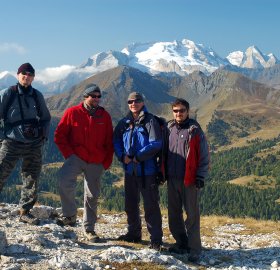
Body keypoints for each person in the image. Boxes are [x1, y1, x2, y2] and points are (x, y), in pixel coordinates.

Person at [54, 83, 113, 243]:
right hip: (76, 157)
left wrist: (105, 162)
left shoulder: (104, 116)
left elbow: (109, 140)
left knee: (92, 195)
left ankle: (90, 229)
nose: (96, 99)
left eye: (99, 96)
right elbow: (59, 135)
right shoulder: (72, 112)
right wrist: (69, 155)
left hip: (96, 161)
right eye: (93, 96)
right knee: (64, 182)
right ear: (85, 96)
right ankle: (69, 215)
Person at [0, 63, 51, 225]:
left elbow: (45, 118)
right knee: (1, 172)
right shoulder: (8, 93)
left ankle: (25, 211)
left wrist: (43, 135)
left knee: (32, 177)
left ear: (33, 77)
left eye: (29, 74)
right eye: (23, 73)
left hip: (33, 143)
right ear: (18, 75)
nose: (26, 76)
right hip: (11, 141)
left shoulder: (37, 95)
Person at [113, 92, 163, 250]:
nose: (133, 103)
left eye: (137, 101)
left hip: (147, 171)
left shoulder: (150, 121)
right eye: (130, 101)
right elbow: (116, 140)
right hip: (130, 171)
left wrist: (138, 157)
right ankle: (134, 234)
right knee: (130, 204)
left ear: (142, 102)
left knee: (151, 206)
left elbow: (156, 143)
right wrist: (122, 156)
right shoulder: (124, 122)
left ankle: (155, 239)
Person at [165, 98, 209, 263]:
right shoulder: (169, 129)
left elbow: (204, 155)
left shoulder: (195, 130)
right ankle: (181, 243)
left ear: (187, 111)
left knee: (191, 215)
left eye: (182, 110)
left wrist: (200, 176)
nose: (179, 114)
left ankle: (195, 249)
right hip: (172, 179)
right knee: (174, 214)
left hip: (189, 180)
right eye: (176, 111)